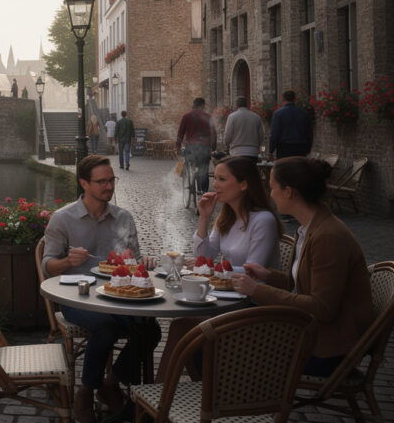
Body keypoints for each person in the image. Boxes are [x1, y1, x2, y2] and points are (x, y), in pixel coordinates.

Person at [42, 155, 160, 423]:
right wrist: (68, 261)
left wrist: (144, 263)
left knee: (149, 329)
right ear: (84, 183)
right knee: (105, 326)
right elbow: (47, 266)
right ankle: (86, 390)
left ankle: (112, 382)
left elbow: (135, 261)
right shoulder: (63, 219)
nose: (109, 186)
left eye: (111, 180)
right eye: (102, 182)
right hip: (78, 298)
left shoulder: (123, 217)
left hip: (117, 295)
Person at [233, 157, 371, 377]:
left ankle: (239, 403)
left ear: (288, 192)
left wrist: (256, 289)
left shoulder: (328, 236)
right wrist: (267, 275)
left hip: (324, 349)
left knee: (214, 346)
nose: (271, 194)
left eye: (272, 188)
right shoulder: (310, 228)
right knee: (214, 328)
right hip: (305, 332)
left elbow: (322, 308)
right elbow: (300, 286)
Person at [157, 155, 281, 381]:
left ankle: (163, 394)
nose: (215, 185)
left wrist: (212, 269)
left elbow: (255, 270)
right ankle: (191, 389)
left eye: (222, 179)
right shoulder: (227, 216)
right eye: (215, 178)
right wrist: (204, 217)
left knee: (182, 326)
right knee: (181, 324)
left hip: (255, 304)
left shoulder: (263, 220)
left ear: (244, 184)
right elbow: (203, 257)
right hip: (228, 297)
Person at [176, 97, 216, 193]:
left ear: (193, 105)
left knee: (185, 162)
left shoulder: (186, 116)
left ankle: (188, 180)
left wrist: (178, 148)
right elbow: (214, 134)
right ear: (202, 105)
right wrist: (213, 148)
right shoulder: (208, 116)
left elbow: (180, 134)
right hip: (205, 147)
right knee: (204, 170)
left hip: (191, 147)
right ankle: (204, 192)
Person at [269, 90, 313, 160]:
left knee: (285, 169)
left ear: (282, 99)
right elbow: (309, 133)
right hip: (300, 147)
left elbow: (275, 134)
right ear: (295, 99)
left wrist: (271, 150)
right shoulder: (304, 113)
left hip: (284, 148)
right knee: (299, 168)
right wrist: (308, 148)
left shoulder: (278, 114)